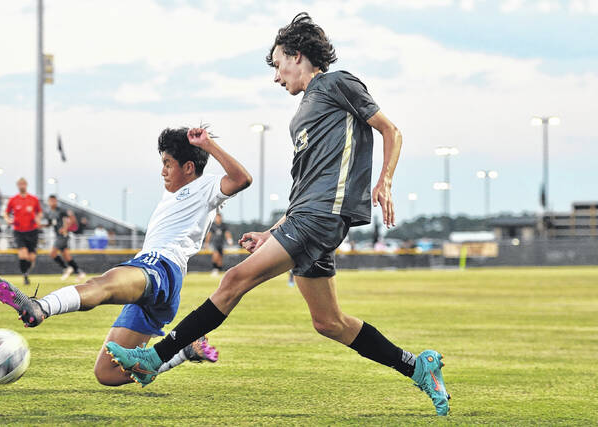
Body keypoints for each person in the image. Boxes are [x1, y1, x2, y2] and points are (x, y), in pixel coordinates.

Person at [106, 13, 450, 416]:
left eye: (277, 64)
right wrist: (273, 232)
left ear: (297, 55)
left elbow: (390, 130)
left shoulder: (338, 83)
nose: (275, 76)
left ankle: (154, 358)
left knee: (233, 280)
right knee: (329, 322)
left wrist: (385, 181)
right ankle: (416, 365)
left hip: (322, 217)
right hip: (308, 216)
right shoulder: (303, 113)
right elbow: (305, 189)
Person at [0, 126, 252, 387]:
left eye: (168, 164)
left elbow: (242, 179)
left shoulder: (205, 186)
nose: (163, 171)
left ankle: (40, 307)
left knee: (101, 285)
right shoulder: (176, 191)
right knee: (107, 373)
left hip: (160, 267)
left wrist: (208, 145)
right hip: (163, 286)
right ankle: (184, 352)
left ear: (189, 168)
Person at [4, 178, 42, 285]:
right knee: (23, 255)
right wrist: (8, 219)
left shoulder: (34, 199)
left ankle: (26, 272)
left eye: (23, 184)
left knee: (31, 258)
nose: (22, 186)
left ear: (26, 185)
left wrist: (38, 219)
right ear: (17, 185)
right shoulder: (13, 199)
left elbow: (39, 212)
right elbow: (6, 213)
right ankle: (25, 276)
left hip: (32, 231)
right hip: (19, 231)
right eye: (20, 184)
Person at [44, 195, 86, 281]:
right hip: (57, 235)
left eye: (54, 200)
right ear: (48, 202)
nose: (52, 202)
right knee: (67, 256)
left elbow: (72, 219)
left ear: (56, 201)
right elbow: (50, 224)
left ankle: (66, 268)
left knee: (52, 253)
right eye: (51, 201)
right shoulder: (49, 212)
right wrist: (41, 225)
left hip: (63, 235)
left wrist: (65, 228)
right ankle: (80, 272)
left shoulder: (61, 211)